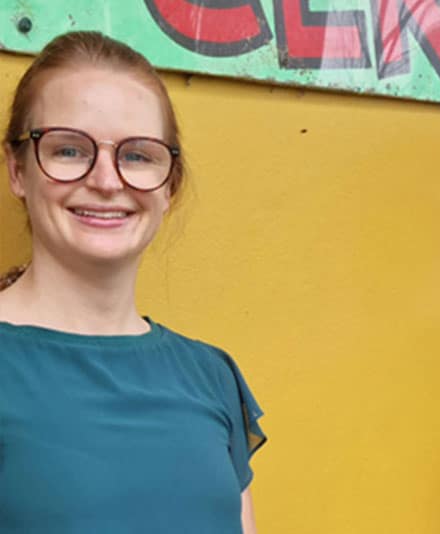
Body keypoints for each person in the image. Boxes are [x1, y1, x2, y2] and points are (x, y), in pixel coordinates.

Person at [0, 31, 265, 533]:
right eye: (70, 150)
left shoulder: (211, 375)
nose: (106, 180)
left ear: (170, 185)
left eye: (138, 155)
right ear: (17, 169)